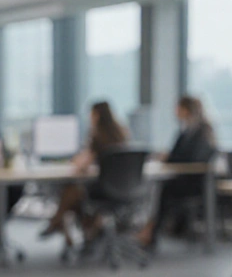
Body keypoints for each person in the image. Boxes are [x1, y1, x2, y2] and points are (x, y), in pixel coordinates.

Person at [39, 100, 130, 248]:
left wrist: (77, 160)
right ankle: (81, 227)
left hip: (102, 192)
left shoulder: (98, 136)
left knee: (71, 190)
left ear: (97, 115)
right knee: (73, 192)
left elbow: (81, 165)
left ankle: (58, 221)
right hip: (125, 191)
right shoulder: (122, 134)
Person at [136, 95, 217, 248]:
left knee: (161, 189)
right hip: (182, 178)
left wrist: (170, 158)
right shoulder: (186, 131)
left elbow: (191, 158)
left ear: (186, 110)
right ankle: (150, 228)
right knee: (157, 186)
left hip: (195, 183)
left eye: (177, 108)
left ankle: (151, 230)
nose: (175, 112)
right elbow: (176, 155)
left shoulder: (201, 132)